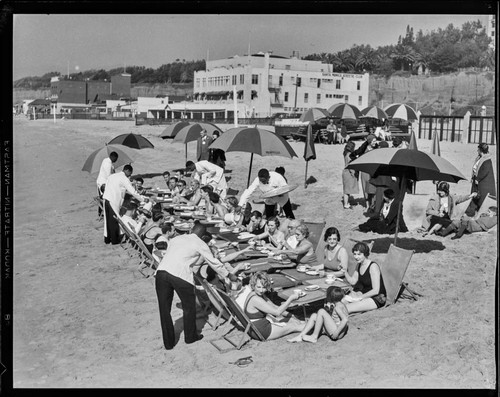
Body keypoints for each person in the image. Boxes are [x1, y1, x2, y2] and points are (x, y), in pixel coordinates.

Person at [154, 222, 238, 350]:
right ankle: (190, 336)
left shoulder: (177, 238)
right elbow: (214, 262)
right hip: (180, 274)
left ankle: (168, 343)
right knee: (189, 307)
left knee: (164, 309)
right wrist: (228, 274)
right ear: (203, 235)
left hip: (161, 272)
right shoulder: (200, 243)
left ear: (192, 230)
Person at [241, 272, 304, 341]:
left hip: (257, 326)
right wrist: (290, 299)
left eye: (264, 287)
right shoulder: (256, 299)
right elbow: (277, 312)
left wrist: (291, 315)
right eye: (258, 287)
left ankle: (310, 323)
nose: (261, 290)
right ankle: (313, 325)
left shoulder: (256, 294)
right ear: (253, 285)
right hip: (261, 331)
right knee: (293, 326)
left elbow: (274, 306)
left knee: (293, 320)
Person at [102, 164, 145, 245]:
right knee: (114, 220)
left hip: (106, 198)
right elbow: (133, 192)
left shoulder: (112, 176)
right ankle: (114, 240)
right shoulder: (124, 179)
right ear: (127, 171)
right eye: (130, 173)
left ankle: (107, 239)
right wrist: (142, 199)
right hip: (113, 200)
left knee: (107, 220)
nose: (130, 175)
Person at [342, 242, 386, 314]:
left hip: (377, 298)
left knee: (346, 308)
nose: (356, 257)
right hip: (364, 294)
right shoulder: (359, 265)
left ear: (365, 254)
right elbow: (353, 281)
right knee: (341, 303)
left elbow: (376, 290)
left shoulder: (373, 266)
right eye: (355, 254)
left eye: (359, 254)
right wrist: (345, 272)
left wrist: (359, 298)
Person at [465, 143, 496, 217]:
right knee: (474, 196)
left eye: (478, 149)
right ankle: (471, 211)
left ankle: (478, 213)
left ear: (480, 150)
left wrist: (478, 179)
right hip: (477, 180)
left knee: (481, 198)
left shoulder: (487, 160)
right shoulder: (480, 158)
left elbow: (485, 171)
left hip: (483, 182)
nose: (477, 150)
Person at [351, 134, 378, 210]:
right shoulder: (364, 149)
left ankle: (373, 204)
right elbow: (355, 156)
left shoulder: (376, 148)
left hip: (373, 171)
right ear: (369, 141)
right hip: (365, 171)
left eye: (375, 141)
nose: (375, 142)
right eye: (374, 141)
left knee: (373, 188)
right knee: (365, 187)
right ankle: (367, 205)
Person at [96, 151, 118, 216]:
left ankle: (101, 212)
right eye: (116, 159)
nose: (116, 160)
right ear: (113, 157)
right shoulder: (107, 164)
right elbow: (109, 176)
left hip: (102, 182)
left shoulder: (107, 161)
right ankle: (103, 212)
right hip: (103, 183)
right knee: (105, 197)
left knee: (102, 197)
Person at [342, 141, 359, 209]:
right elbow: (350, 166)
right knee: (347, 190)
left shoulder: (346, 153)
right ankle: (346, 204)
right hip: (348, 173)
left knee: (347, 189)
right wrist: (353, 174)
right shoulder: (349, 155)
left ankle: (347, 202)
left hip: (346, 173)